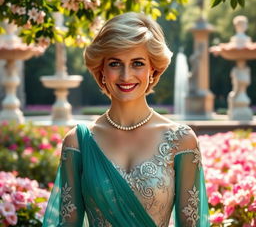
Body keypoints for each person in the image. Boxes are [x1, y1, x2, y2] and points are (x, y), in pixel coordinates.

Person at [43, 12, 210, 227]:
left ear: (153, 69)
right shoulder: (78, 142)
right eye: (115, 63)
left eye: (138, 63)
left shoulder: (181, 140)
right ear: (101, 69)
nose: (125, 75)